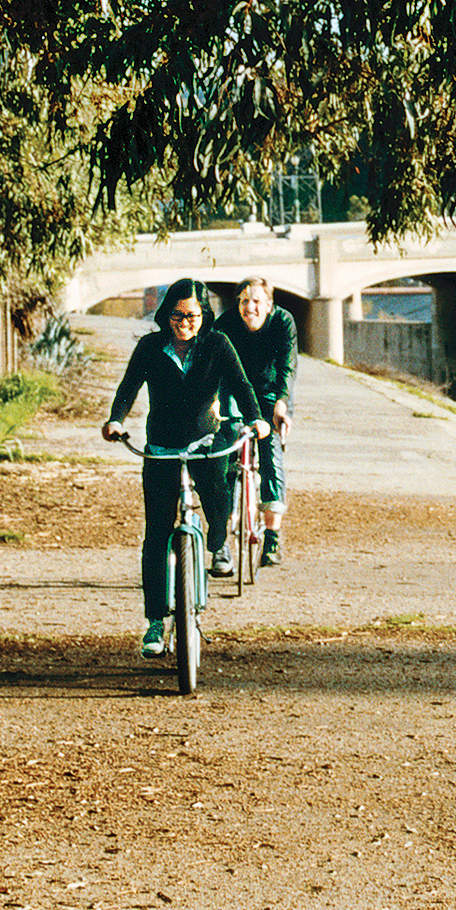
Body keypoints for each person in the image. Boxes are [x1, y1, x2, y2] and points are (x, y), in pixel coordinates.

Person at [102, 279, 259, 654]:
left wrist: (256, 420)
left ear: (204, 316)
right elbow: (128, 388)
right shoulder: (149, 347)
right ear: (166, 314)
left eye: (193, 315)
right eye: (177, 315)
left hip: (207, 442)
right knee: (156, 534)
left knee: (219, 507)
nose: (185, 322)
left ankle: (218, 544)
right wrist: (116, 420)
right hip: (161, 449)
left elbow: (240, 385)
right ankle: (155, 623)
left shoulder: (218, 344)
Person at [227, 272, 299, 564]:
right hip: (236, 392)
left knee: (270, 456)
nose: (250, 307)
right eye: (244, 301)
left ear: (269, 304)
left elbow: (288, 365)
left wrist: (282, 403)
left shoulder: (283, 322)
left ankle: (272, 538)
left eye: (256, 301)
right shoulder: (227, 324)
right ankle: (223, 526)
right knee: (226, 450)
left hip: (270, 395)